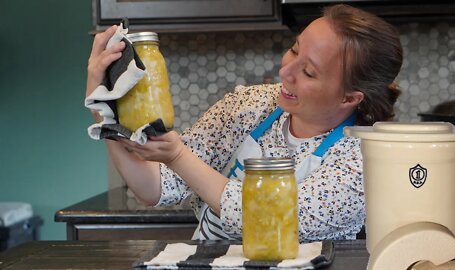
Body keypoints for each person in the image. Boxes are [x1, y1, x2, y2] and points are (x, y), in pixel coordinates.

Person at [85, 4, 403, 241]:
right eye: (293, 51)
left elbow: (268, 220)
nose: (285, 73)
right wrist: (100, 106)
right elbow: (156, 187)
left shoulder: (364, 158)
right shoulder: (248, 106)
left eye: (308, 72)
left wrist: (179, 156)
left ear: (350, 97)